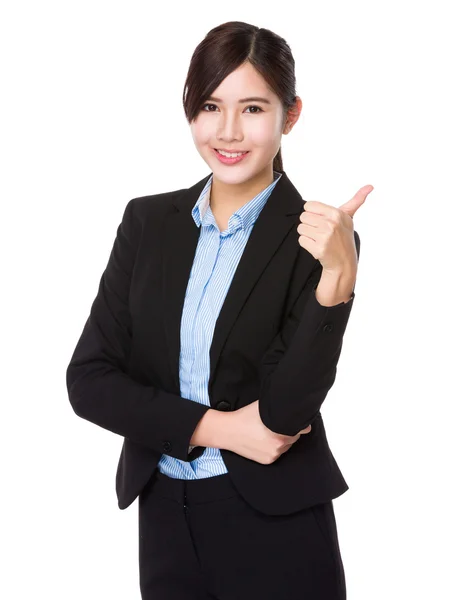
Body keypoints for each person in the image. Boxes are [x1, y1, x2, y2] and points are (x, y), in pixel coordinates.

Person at [66, 20, 372, 600]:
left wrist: (338, 278)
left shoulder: (319, 239)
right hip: (164, 516)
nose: (229, 131)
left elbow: (284, 415)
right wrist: (219, 428)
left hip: (275, 524)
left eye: (253, 108)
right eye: (210, 105)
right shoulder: (147, 224)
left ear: (291, 114)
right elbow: (89, 381)